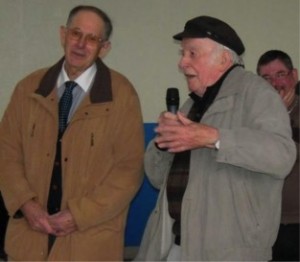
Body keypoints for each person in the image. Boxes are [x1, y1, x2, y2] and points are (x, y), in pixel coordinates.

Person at [134, 16, 296, 261]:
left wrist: (215, 137)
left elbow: (282, 155)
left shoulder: (257, 93)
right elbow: (157, 180)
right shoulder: (191, 105)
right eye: (182, 53)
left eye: (192, 53)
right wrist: (162, 143)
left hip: (227, 252)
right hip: (176, 245)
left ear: (223, 58)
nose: (182, 63)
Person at [0, 5, 144, 261]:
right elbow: (6, 154)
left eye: (92, 38)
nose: (81, 44)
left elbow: (129, 171)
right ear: (63, 35)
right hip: (29, 240)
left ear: (105, 48)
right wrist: (26, 203)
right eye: (76, 34)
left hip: (90, 243)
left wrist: (79, 215)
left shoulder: (122, 96)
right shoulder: (28, 89)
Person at [257, 50, 299, 261]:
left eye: (280, 74)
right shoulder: (252, 117)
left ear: (294, 76)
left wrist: (280, 118)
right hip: (264, 223)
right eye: (266, 78)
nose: (274, 83)